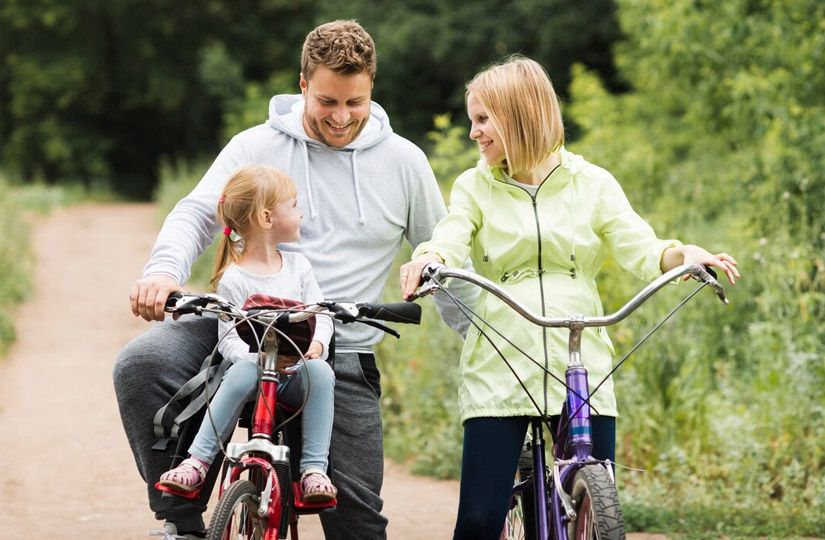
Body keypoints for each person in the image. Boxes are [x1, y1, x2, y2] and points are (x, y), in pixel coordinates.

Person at [114, 19, 472, 540]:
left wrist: (482, 342)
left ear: (372, 86)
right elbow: (197, 212)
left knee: (358, 524)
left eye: (356, 102)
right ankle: (186, 524)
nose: (342, 117)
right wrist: (163, 273)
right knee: (142, 364)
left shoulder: (404, 163)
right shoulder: (255, 146)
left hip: (337, 348)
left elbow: (441, 255)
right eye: (328, 101)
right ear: (302, 83)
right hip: (241, 327)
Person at [398, 55, 740, 540]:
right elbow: (451, 237)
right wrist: (429, 258)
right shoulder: (473, 185)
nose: (473, 132)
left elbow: (640, 245)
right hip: (500, 360)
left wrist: (684, 255)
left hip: (580, 355)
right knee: (478, 519)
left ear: (517, 115)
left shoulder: (592, 182)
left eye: (482, 119)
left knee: (595, 500)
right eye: (471, 120)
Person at [156, 165, 337, 502]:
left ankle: (314, 470)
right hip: (255, 372)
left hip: (296, 372)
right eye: (294, 205)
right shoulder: (235, 278)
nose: (301, 213)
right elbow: (229, 338)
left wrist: (317, 344)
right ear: (268, 218)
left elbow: (320, 313)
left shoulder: (299, 267)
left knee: (322, 373)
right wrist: (257, 359)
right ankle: (196, 462)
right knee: (240, 369)